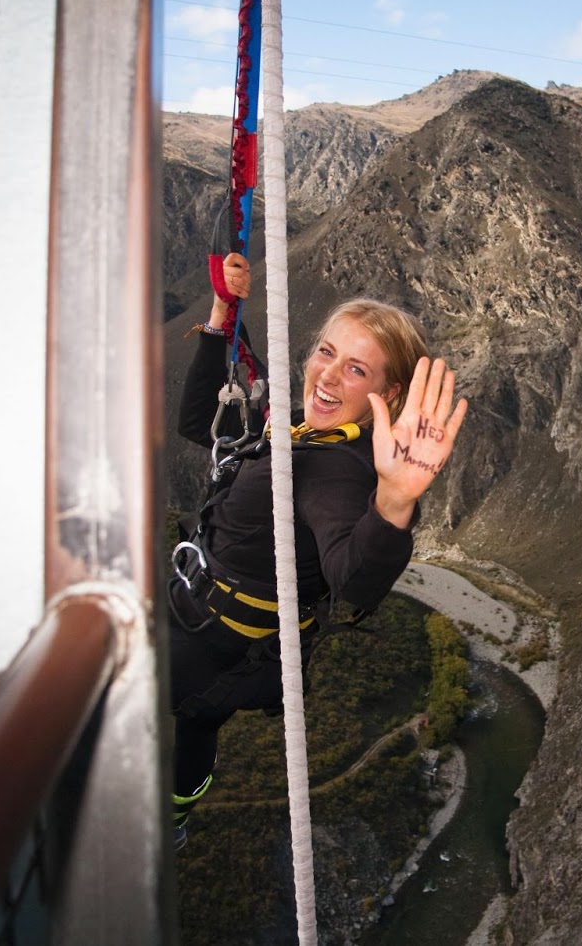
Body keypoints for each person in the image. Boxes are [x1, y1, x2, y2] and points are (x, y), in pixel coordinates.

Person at [168, 251, 467, 848]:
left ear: (391, 393)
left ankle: (158, 817)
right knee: (195, 726)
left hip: (209, 643)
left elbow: (353, 580)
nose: (329, 375)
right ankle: (175, 816)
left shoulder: (335, 473)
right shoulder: (299, 426)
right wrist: (222, 313)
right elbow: (202, 422)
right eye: (327, 352)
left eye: (358, 370)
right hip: (218, 633)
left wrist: (394, 501)